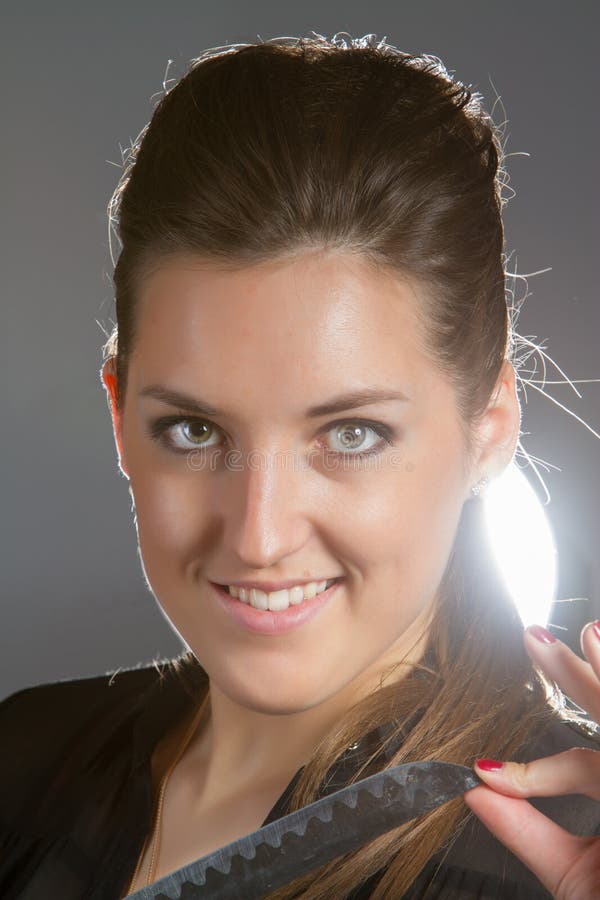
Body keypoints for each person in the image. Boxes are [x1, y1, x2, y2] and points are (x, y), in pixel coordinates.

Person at [1, 31, 598, 900]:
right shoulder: (23, 756)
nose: (259, 535)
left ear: (491, 425)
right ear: (120, 417)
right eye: (195, 431)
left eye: (351, 434)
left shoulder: (557, 860)